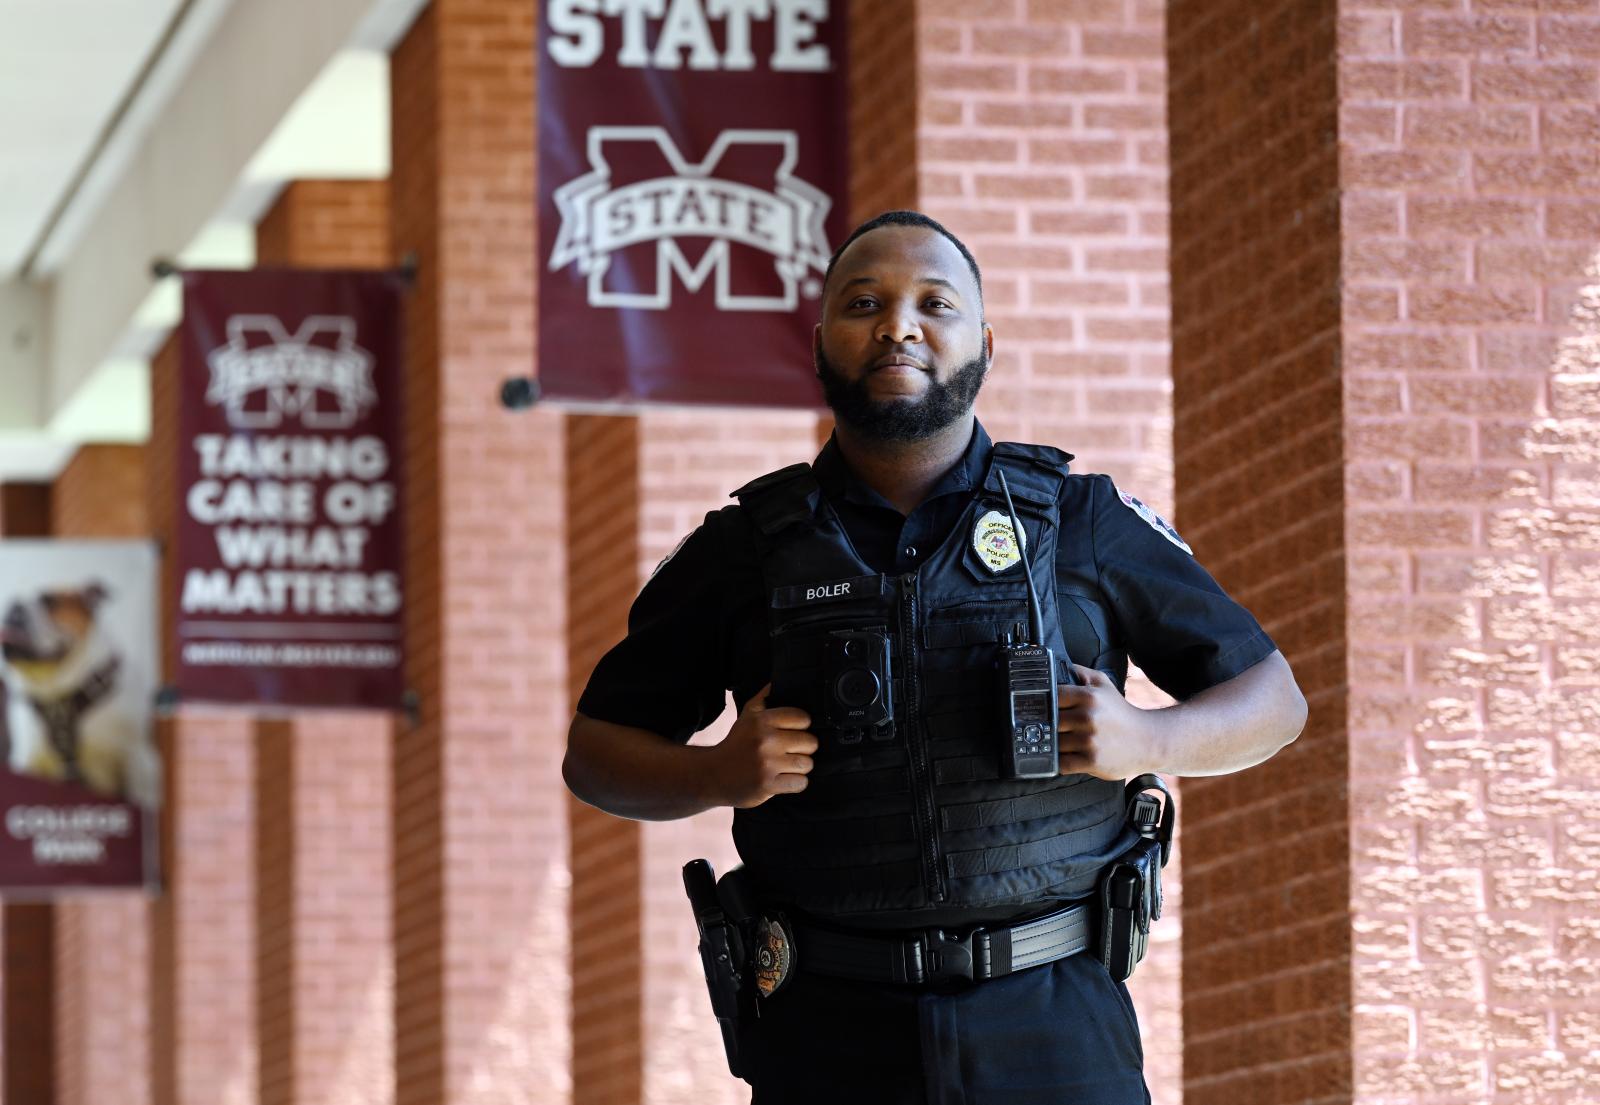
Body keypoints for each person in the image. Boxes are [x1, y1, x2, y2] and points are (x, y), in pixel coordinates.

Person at [565, 210, 1308, 1104]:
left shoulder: (1082, 522)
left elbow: (1275, 701)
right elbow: (595, 755)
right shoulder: (742, 550)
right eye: (864, 303)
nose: (898, 326)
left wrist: (1146, 738)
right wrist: (716, 772)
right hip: (827, 1033)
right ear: (819, 344)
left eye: (934, 303)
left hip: (1055, 1027)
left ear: (984, 345)